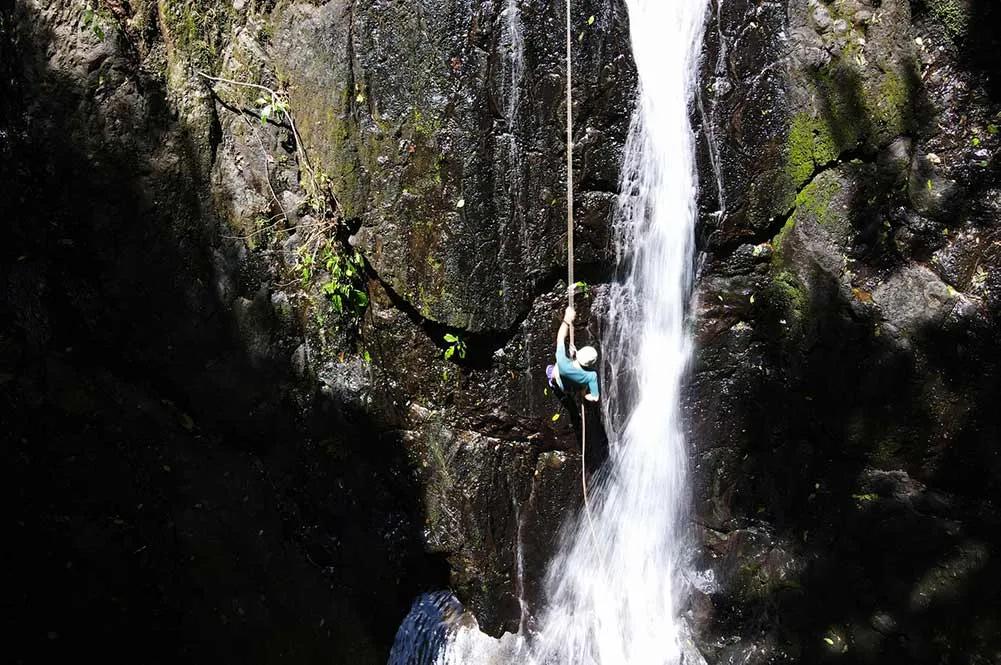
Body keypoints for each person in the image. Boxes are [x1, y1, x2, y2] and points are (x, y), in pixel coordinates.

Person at [546, 306, 599, 402]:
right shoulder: (592, 375)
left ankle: (553, 381)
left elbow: (560, 338)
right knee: (583, 385)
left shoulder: (562, 363)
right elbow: (595, 397)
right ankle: (579, 391)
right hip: (571, 389)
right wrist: (585, 394)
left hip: (561, 381)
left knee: (550, 370)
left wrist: (567, 319)